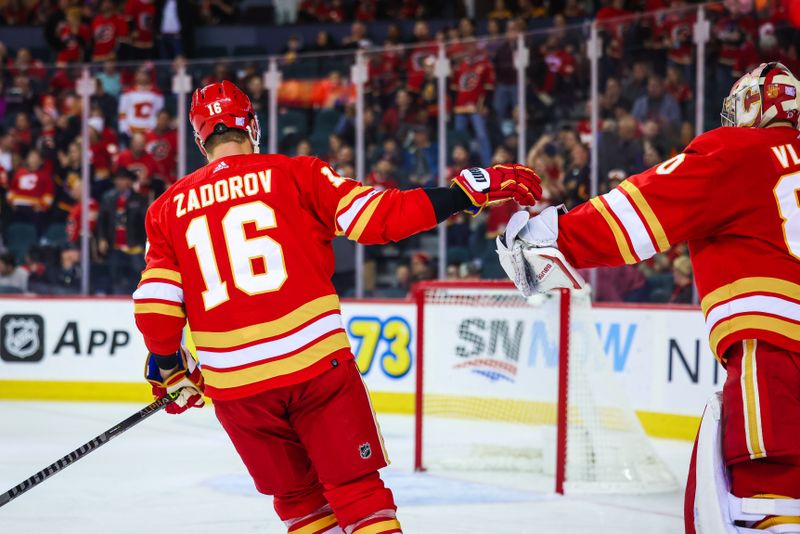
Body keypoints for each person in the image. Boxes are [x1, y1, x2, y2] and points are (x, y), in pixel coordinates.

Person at [132, 80, 541, 534]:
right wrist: (463, 194)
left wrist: (169, 366)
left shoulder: (166, 209)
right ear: (252, 125)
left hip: (239, 387)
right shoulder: (298, 173)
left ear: (199, 137)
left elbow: (156, 307)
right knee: (360, 497)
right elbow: (380, 217)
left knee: (301, 506)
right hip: (315, 368)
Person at [496, 62, 800, 533]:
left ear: (756, 106)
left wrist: (551, 239)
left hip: (776, 356)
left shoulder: (736, 151)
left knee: (769, 506)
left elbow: (644, 207)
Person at [97, 168, 147, 295]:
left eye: (123, 179)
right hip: (115, 245)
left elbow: (144, 223)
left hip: (134, 246)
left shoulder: (140, 199)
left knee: (137, 276)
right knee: (114, 275)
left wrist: (143, 244)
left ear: (129, 182)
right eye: (118, 179)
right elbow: (102, 221)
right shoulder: (108, 198)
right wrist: (102, 238)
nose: (119, 182)